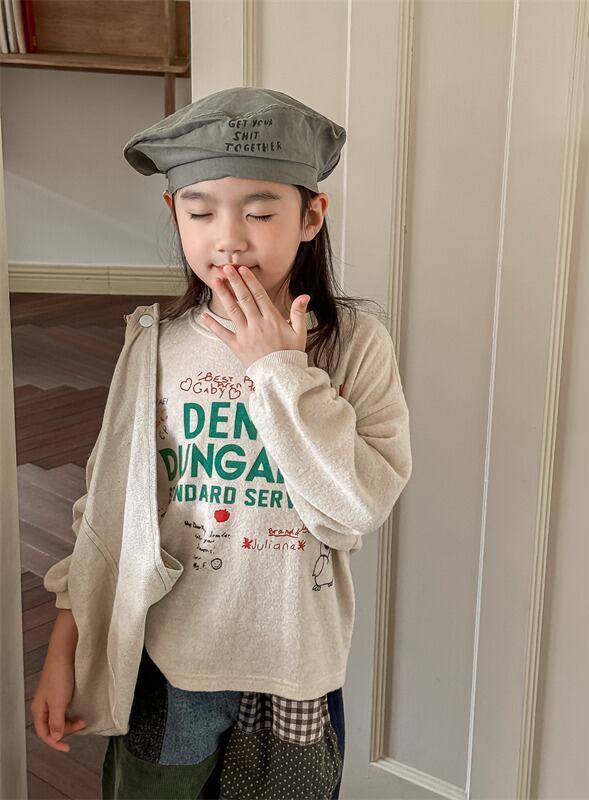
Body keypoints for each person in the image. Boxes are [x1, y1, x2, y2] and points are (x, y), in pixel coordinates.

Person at [30, 86, 413, 799]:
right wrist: (64, 649)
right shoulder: (156, 345)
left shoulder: (356, 344)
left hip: (294, 665)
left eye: (260, 212)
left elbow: (356, 508)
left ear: (311, 216)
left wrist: (280, 370)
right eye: (200, 211)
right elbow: (108, 513)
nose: (229, 237)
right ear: (174, 213)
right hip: (170, 659)